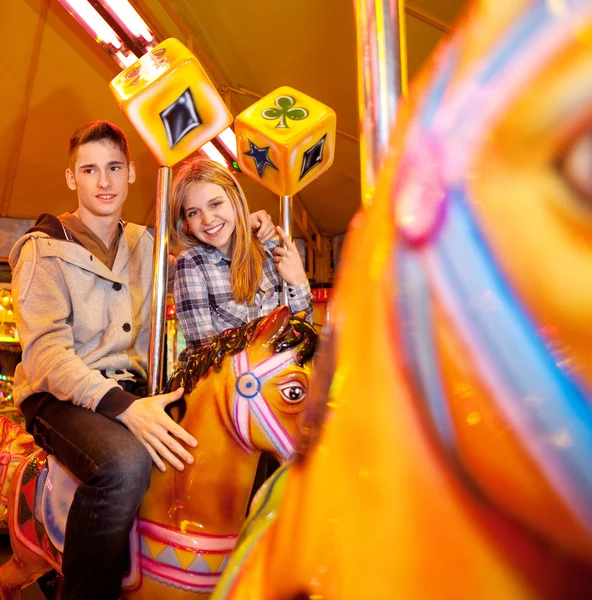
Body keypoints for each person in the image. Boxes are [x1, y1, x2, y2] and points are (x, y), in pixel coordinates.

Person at [8, 120, 276, 600]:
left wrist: (254, 228)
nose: (103, 181)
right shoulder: (41, 250)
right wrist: (125, 407)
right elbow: (47, 353)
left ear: (132, 172)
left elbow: (208, 240)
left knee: (221, 450)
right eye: (89, 170)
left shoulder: (149, 246)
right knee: (124, 464)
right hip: (61, 397)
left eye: (113, 168)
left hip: (136, 391)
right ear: (72, 179)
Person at [171, 158, 313, 357]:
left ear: (235, 199)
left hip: (272, 380)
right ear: (186, 222)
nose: (208, 219)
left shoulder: (271, 250)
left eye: (215, 204)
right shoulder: (193, 263)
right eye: (194, 212)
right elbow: (204, 353)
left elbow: (303, 335)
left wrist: (299, 281)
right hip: (229, 383)